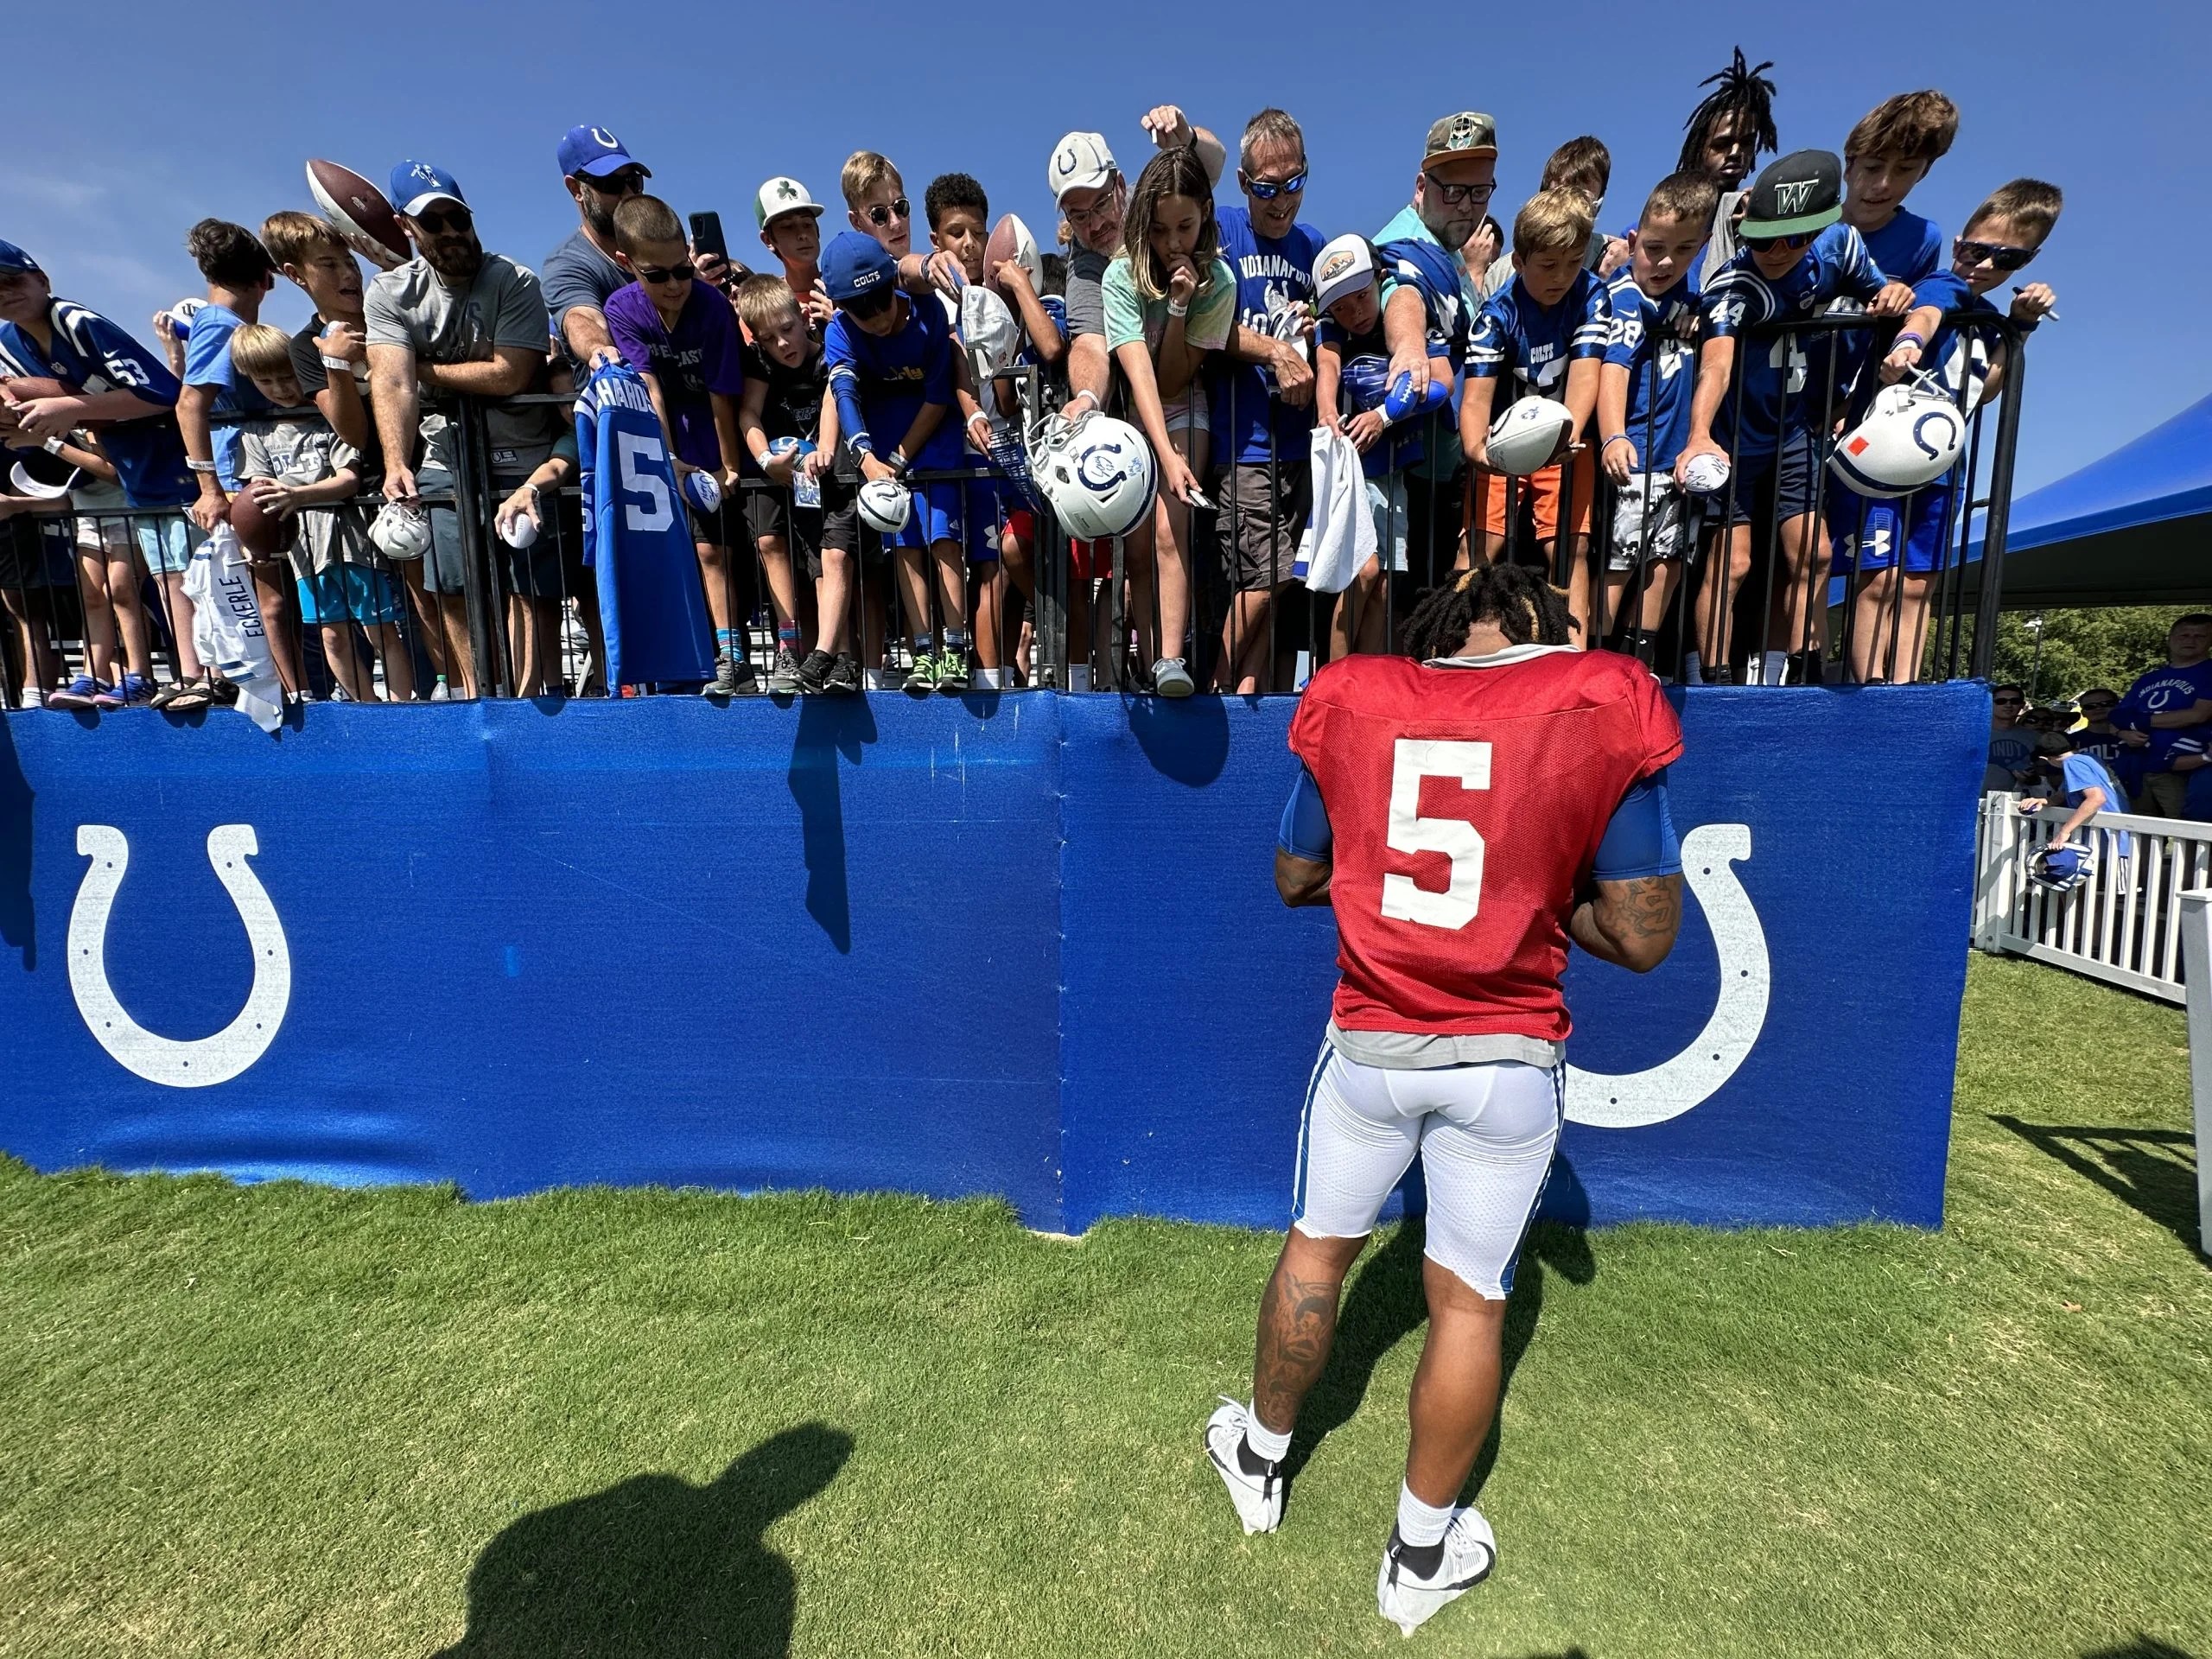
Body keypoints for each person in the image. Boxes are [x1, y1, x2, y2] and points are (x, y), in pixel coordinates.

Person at [1205, 561, 1683, 1638]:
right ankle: (1418, 1556)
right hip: (1506, 1058)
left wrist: (1384, 881)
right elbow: (1643, 935)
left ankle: (1260, 1458)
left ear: (1445, 627)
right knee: (1468, 1303)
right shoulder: (1600, 697)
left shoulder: (1357, 696)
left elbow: (1294, 875)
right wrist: (1538, 896)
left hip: (1371, 1044)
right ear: (1542, 623)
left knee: (1317, 1250)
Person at [1676, 150, 1911, 685]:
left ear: (1819, 229)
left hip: (1795, 432)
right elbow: (1715, 366)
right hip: (1734, 437)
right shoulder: (1732, 289)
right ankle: (1713, 681)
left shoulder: (1842, 246)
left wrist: (1894, 297)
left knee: (1815, 554)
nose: (1778, 252)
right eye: (1763, 241)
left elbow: (1888, 297)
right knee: (1733, 563)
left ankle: (1803, 677)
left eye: (1794, 238)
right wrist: (1699, 435)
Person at [1842, 179, 2063, 684]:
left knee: (1919, 584)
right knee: (1880, 579)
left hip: (1942, 464)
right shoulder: (1943, 284)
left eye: (2007, 259)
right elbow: (1926, 313)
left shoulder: (1988, 317)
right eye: (1976, 250)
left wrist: (2019, 325)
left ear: (2026, 262)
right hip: (1885, 457)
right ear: (1959, 243)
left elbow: (1986, 390)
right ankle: (1869, 685)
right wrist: (1909, 343)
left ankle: (1904, 685)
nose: (1984, 266)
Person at [367, 161, 554, 700]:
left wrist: (421, 369)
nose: (450, 232)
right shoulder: (388, 291)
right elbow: (391, 384)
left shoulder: (514, 279)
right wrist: (396, 462)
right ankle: (479, 701)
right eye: (434, 222)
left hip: (521, 457)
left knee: (526, 588)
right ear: (406, 226)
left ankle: (524, 702)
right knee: (450, 586)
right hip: (443, 462)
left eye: (458, 218)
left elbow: (510, 373)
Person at [0, 238, 207, 707]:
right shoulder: (9, 341)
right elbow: (44, 395)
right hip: (135, 473)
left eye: (12, 280)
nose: (5, 293)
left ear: (41, 280)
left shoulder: (78, 322)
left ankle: (202, 678)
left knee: (183, 577)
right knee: (165, 578)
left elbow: (162, 394)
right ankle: (191, 676)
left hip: (170, 466)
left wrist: (67, 408)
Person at [604, 194, 756, 696]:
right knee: (677, 559)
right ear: (627, 263)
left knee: (718, 550)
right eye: (658, 275)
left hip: (714, 434)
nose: (674, 285)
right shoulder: (621, 309)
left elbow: (721, 396)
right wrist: (671, 462)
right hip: (660, 445)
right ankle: (680, 668)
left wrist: (728, 468)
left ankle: (736, 660)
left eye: (682, 271)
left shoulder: (712, 306)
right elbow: (649, 388)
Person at [1104, 144, 1235, 696]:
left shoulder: (1219, 282)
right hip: (1137, 415)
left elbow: (1176, 379)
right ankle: (1150, 659)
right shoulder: (1120, 275)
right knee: (1136, 547)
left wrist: (1180, 307)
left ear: (1205, 213)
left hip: (1185, 406)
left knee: (1169, 526)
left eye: (1184, 227)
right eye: (1159, 230)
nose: (1173, 242)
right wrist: (1163, 452)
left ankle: (1172, 661)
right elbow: (1141, 378)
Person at [228, 322, 411, 702]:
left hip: (354, 545)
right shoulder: (256, 433)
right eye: (266, 382)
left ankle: (401, 709)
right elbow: (257, 497)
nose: (280, 389)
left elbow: (348, 480)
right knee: (331, 636)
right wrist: (251, 537)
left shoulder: (331, 417)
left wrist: (297, 495)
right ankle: (366, 708)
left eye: (286, 377)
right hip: (306, 556)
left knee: (381, 631)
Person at [821, 230, 969, 693]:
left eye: (882, 302)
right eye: (861, 312)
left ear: (892, 284)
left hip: (934, 439)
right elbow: (844, 394)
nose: (879, 317)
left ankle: (956, 649)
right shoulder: (838, 331)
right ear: (842, 308)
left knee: (944, 541)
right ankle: (923, 651)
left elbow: (938, 397)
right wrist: (866, 457)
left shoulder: (927, 311)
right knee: (905, 545)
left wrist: (898, 457)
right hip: (881, 448)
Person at [1461, 189, 1613, 636]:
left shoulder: (1592, 295)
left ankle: (1573, 657)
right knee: (1477, 548)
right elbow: (1475, 400)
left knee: (1571, 550)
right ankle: (1455, 646)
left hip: (1566, 439)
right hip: (1503, 441)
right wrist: (1478, 450)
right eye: (1548, 265)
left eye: (1573, 262)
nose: (1561, 276)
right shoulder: (1495, 316)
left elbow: (1586, 375)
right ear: (1519, 261)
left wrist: (1567, 434)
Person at [1207, 107, 1322, 694]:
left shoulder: (1315, 246)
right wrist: (1274, 351)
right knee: (1263, 576)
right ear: (1243, 183)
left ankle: (1249, 695)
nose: (1282, 201)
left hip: (1300, 445)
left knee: (1284, 584)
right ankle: (1216, 690)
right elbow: (1203, 324)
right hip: (1242, 443)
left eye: (1294, 183)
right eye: (1267, 188)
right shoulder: (1221, 229)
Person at [175, 219, 302, 696]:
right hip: (236, 486)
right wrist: (210, 488)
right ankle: (281, 697)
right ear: (266, 279)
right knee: (265, 604)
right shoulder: (218, 325)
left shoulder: (227, 325)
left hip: (253, 479)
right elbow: (190, 404)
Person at [1597, 170, 1719, 660]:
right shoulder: (1626, 300)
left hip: (1678, 463)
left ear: (1703, 247)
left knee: (1668, 563)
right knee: (1618, 567)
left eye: (1684, 249)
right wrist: (1613, 435)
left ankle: (1638, 664)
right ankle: (1597, 663)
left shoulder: (1691, 302)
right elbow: (1614, 368)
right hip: (1634, 461)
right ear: (1632, 243)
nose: (1667, 261)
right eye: (1654, 248)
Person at [1376, 113, 1498, 587]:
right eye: (1453, 191)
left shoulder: (1450, 252)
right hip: (1407, 480)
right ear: (1421, 187)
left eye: (1479, 192)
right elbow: (1401, 290)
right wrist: (1409, 350)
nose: (1466, 206)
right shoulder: (1405, 245)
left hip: (1448, 472)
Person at [1312, 234, 1448, 660]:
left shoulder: (1406, 313)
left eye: (1360, 297)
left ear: (1379, 280)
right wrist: (1326, 410)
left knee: (1385, 582)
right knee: (1363, 571)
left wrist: (1383, 416)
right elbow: (1328, 364)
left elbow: (1442, 383)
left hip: (1394, 470)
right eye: (1340, 307)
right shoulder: (1331, 329)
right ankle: (1336, 677)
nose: (1354, 313)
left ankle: (1363, 677)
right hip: (1353, 470)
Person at [923, 172, 1022, 690]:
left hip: (990, 456)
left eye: (977, 232)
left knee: (991, 567)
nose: (968, 243)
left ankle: (990, 678)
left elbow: (1005, 397)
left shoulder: (995, 302)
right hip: (942, 454)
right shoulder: (924, 304)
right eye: (956, 232)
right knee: (943, 561)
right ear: (935, 239)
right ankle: (949, 661)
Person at [735, 274, 838, 693]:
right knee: (768, 541)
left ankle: (833, 653)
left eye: (787, 329)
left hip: (820, 475)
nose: (782, 344)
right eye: (768, 338)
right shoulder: (759, 363)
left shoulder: (829, 352)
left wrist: (824, 450)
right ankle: (788, 645)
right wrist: (766, 460)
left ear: (803, 315)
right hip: (773, 472)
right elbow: (748, 413)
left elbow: (835, 400)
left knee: (824, 556)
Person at [1675, 49, 1780, 288]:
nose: (1735, 153)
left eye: (1746, 143)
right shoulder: (1662, 218)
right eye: (1722, 144)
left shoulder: (1758, 212)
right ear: (1698, 148)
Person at [1483, 137, 1624, 293]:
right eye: (1560, 198)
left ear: (1598, 204)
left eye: (1583, 202)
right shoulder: (1501, 274)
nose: (1570, 213)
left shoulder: (1617, 262)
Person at [2113, 614, 2212, 817]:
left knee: (2188, 827)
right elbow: (2116, 718)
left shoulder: (2208, 672)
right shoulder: (2148, 678)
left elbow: (2198, 714)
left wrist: (2140, 722)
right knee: (2139, 827)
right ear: (2170, 638)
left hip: (2188, 767)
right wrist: (2124, 733)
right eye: (2184, 635)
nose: (2190, 641)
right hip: (2139, 766)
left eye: (2200, 636)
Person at [2018, 729, 2132, 878]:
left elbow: (2096, 798)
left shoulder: (2073, 764)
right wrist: (2043, 801)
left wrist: (2065, 831)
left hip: (2113, 840)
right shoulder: (2088, 758)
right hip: (2109, 839)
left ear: (2046, 759)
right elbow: (2062, 795)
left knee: (2117, 890)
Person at [755, 177, 831, 329]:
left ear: (817, 230)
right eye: (787, 227)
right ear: (768, 240)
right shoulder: (763, 307)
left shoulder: (848, 282)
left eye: (807, 224)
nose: (802, 234)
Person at [1983, 683, 2036, 791]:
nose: (2008, 705)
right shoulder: (1973, 735)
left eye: (2014, 701)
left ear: (2022, 705)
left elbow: (2044, 775)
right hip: (1972, 798)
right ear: (1990, 704)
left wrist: (2033, 778)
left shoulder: (2035, 738)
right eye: (2001, 701)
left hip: (2017, 799)